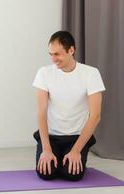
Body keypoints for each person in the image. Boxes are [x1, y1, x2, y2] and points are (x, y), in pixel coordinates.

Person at [32, 31, 105, 181]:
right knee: (46, 174)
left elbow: (95, 115)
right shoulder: (44, 73)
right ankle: (56, 157)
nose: (53, 59)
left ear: (71, 50)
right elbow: (41, 113)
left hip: (76, 137)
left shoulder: (91, 74)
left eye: (57, 54)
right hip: (51, 136)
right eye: (50, 54)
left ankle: (69, 158)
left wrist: (76, 151)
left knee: (73, 175)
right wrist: (46, 149)